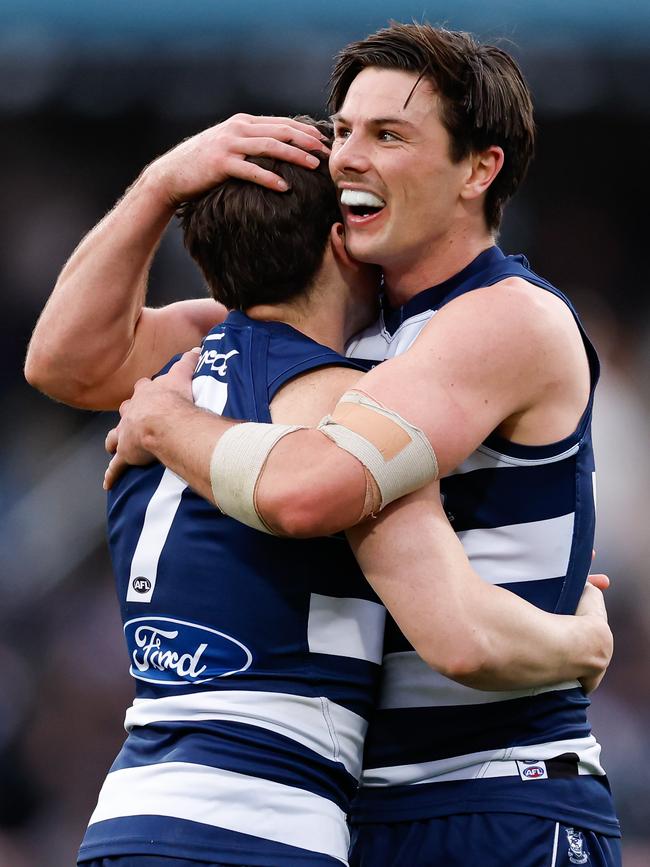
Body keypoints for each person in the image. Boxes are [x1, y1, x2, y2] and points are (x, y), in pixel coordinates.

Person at [25, 23, 620, 867]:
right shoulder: (335, 328)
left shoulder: (505, 318)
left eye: (389, 134)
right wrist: (162, 184)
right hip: (354, 806)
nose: (347, 158)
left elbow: (311, 490)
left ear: (478, 169)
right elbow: (65, 361)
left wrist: (168, 422)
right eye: (342, 130)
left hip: (495, 792)